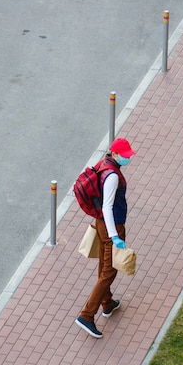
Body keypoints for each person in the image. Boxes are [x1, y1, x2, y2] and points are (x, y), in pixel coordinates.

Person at [75, 138, 136, 338]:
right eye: (125, 156)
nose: (128, 158)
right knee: (109, 271)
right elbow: (107, 207)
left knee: (103, 265)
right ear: (115, 154)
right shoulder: (113, 177)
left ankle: (107, 303)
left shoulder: (104, 164)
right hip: (112, 226)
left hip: (101, 224)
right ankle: (86, 315)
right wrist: (115, 236)